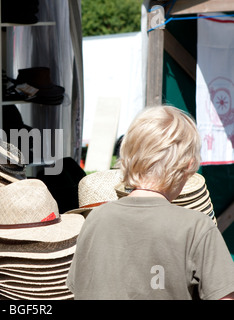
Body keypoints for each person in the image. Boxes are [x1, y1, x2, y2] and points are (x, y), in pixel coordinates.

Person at [67, 105, 234, 300]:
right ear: (189, 166)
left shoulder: (95, 219)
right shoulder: (197, 227)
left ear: (127, 155)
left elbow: (79, 287)